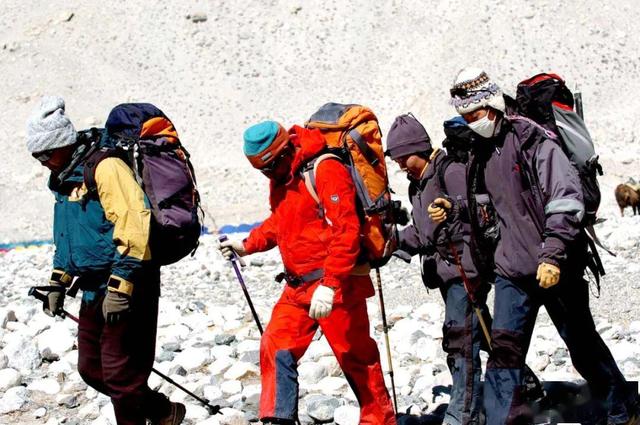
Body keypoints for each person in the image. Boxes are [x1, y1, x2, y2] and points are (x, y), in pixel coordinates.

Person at [438, 68, 640, 425]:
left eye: (476, 113)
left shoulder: (533, 139)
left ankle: (622, 409)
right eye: (465, 116)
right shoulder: (481, 153)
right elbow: (489, 208)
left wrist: (552, 253)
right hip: (512, 271)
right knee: (504, 355)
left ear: (493, 104)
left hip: (556, 265)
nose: (472, 122)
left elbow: (565, 198)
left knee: (581, 344)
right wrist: (454, 210)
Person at [219, 121, 396, 424]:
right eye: (263, 171)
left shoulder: (325, 170)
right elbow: (281, 222)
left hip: (338, 288)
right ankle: (279, 418)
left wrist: (330, 284)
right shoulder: (281, 178)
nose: (268, 175)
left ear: (284, 151)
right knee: (275, 344)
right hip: (297, 288)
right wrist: (246, 244)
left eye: (270, 168)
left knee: (357, 360)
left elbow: (347, 231)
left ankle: (380, 420)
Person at [26, 96, 185, 425]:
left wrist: (122, 285)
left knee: (119, 374)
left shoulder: (105, 166)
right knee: (91, 368)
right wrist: (58, 281)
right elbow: (69, 237)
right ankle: (162, 412)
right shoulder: (64, 181)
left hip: (128, 282)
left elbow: (134, 222)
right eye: (35, 155)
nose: (40, 161)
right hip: (93, 287)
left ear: (62, 144)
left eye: (44, 153)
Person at [386, 114, 489, 425]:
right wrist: (388, 245)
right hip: (445, 273)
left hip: (465, 270)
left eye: (404, 157)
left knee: (460, 340)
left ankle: (463, 415)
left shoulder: (451, 171)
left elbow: (478, 212)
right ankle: (524, 386)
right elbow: (422, 233)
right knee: (482, 333)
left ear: (419, 148)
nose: (401, 165)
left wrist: (453, 211)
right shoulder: (417, 185)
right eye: (397, 159)